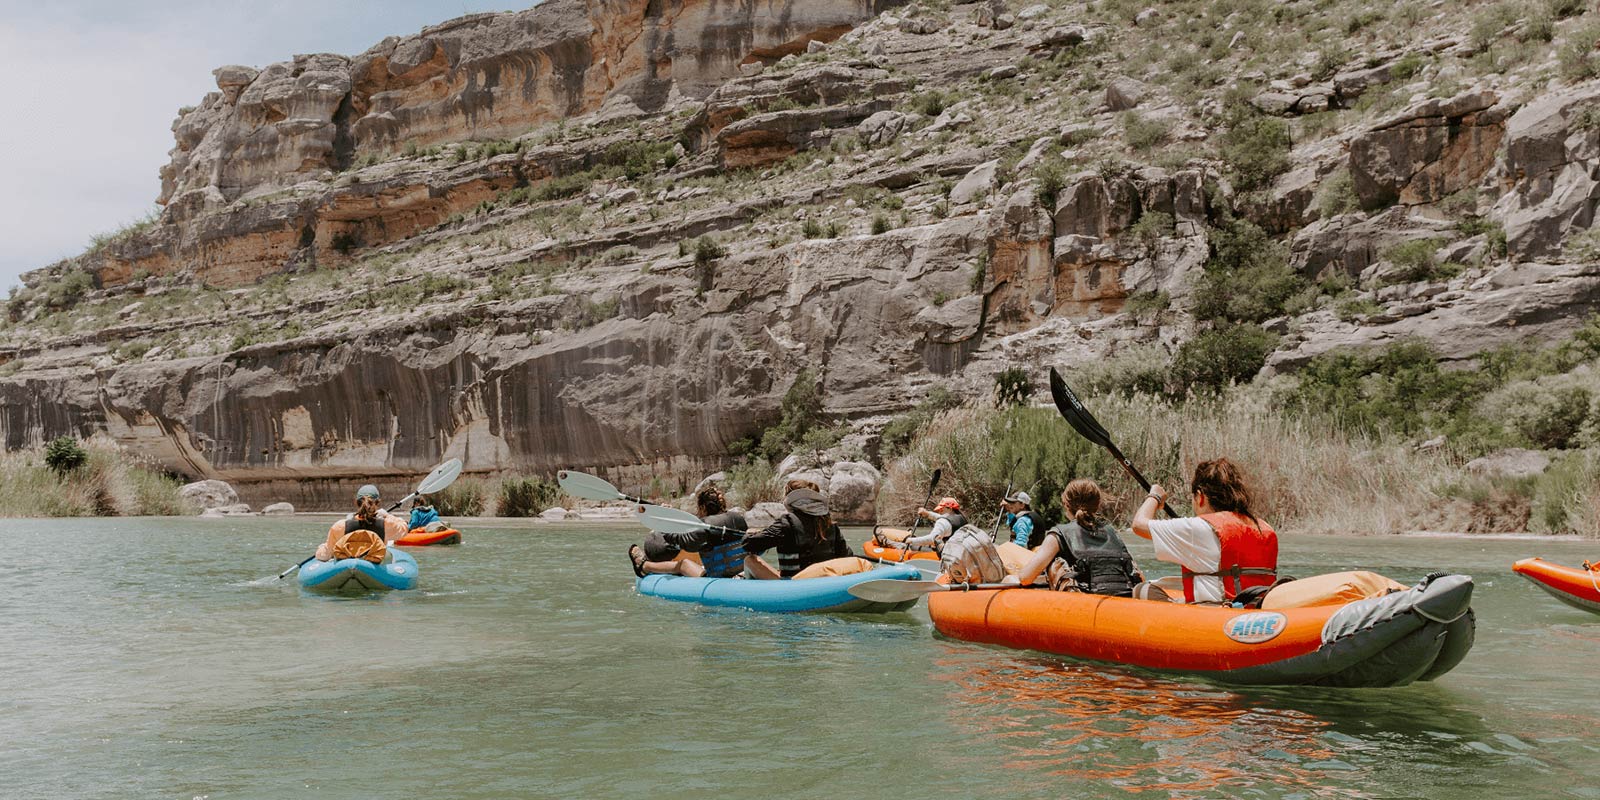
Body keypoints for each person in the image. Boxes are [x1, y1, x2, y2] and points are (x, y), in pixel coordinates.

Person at [1131, 458, 1279, 604]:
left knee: (1142, 590)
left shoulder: (1198, 528)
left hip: (1217, 615)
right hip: (1258, 612)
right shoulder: (1264, 527)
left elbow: (1139, 525)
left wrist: (1155, 495)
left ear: (1200, 497)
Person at [1004, 479, 1142, 596]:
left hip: (1083, 606)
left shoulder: (1057, 534)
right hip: (1124, 600)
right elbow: (1138, 576)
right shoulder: (1112, 532)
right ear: (1098, 504)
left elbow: (1025, 578)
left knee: (1010, 579)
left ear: (1066, 504)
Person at [628, 486, 748, 578]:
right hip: (740, 571)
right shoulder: (739, 519)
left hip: (717, 577)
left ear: (703, 508)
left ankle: (645, 566)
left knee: (684, 564)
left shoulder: (704, 526)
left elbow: (679, 542)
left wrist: (666, 519)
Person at [742, 485, 854, 579]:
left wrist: (751, 534)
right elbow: (847, 555)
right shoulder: (830, 524)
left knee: (750, 560)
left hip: (796, 586)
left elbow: (748, 544)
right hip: (827, 581)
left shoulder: (787, 523)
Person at [316, 484, 408, 562]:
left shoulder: (340, 526)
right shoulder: (386, 524)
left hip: (347, 565)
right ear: (377, 503)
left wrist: (321, 548)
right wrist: (388, 516)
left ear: (356, 502)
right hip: (375, 565)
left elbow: (326, 554)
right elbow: (404, 528)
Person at [894, 497, 966, 553]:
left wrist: (911, 540)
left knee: (913, 546)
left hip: (946, 553)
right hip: (960, 551)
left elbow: (931, 539)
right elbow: (941, 518)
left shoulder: (943, 522)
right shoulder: (961, 518)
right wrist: (927, 513)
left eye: (941, 509)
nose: (939, 511)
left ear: (950, 508)